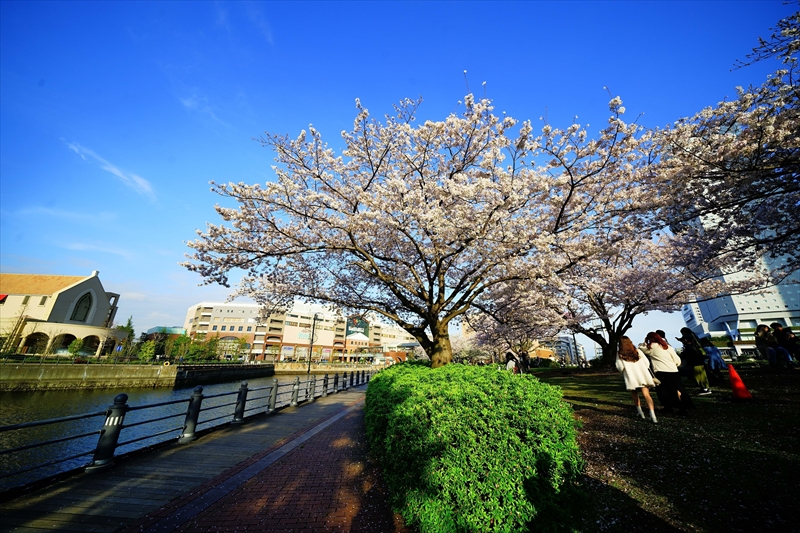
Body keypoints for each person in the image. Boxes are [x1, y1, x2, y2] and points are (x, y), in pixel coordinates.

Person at [640, 331, 694, 415]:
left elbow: (641, 347)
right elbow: (677, 360)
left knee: (663, 390)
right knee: (678, 389)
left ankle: (668, 407)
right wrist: (675, 365)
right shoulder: (667, 346)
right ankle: (682, 408)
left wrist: (645, 341)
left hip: (661, 371)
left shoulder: (651, 347)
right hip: (673, 370)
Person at [615, 337, 658, 423]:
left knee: (634, 394)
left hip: (631, 377)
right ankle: (653, 415)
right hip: (643, 375)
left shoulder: (620, 354)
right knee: (646, 394)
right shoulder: (638, 351)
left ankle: (640, 412)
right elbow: (647, 363)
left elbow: (620, 367)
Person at [676, 328, 712, 395]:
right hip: (699, 361)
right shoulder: (694, 341)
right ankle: (705, 387)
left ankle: (704, 388)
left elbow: (687, 355)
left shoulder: (689, 347)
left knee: (698, 375)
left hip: (695, 362)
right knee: (703, 375)